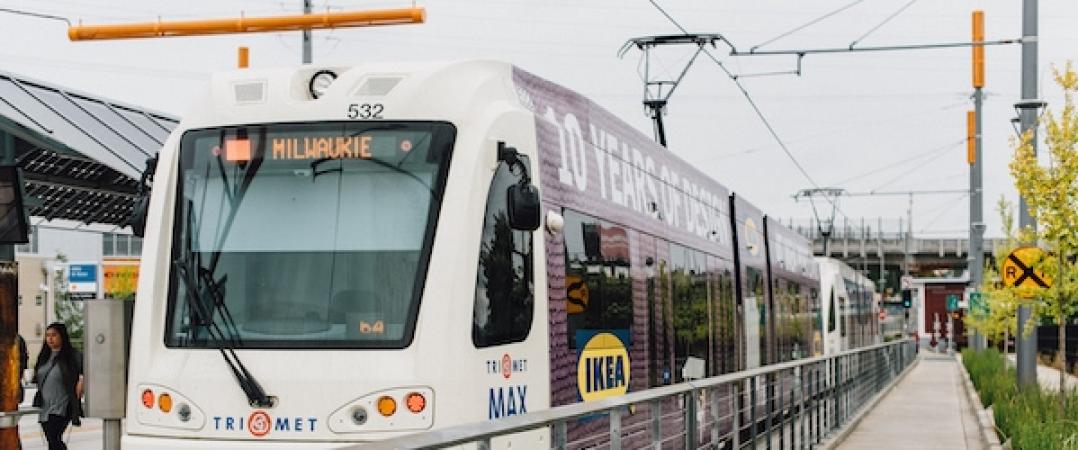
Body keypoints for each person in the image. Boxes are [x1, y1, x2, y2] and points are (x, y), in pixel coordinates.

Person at [32, 323, 83, 450]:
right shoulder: (44, 356)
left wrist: (81, 382)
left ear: (62, 336)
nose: (50, 339)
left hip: (62, 404)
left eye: (54, 335)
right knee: (52, 440)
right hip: (45, 406)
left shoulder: (72, 355)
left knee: (54, 437)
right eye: (48, 335)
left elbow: (85, 370)